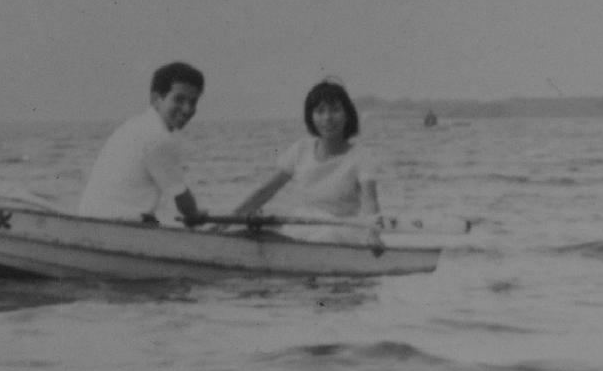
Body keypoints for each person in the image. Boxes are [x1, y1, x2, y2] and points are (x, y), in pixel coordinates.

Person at [232, 79, 383, 244]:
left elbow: (370, 202)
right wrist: (228, 221)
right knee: (255, 233)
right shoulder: (301, 149)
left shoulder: (361, 156)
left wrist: (374, 235)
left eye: (335, 110)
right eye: (320, 111)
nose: (327, 118)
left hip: (341, 231)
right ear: (311, 117)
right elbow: (266, 190)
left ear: (347, 114)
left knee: (328, 235)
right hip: (302, 227)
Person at [78, 61, 206, 226]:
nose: (187, 109)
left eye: (193, 102)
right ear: (156, 99)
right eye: (179, 100)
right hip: (114, 225)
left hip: (95, 219)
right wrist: (195, 215)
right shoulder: (157, 137)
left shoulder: (138, 125)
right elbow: (182, 199)